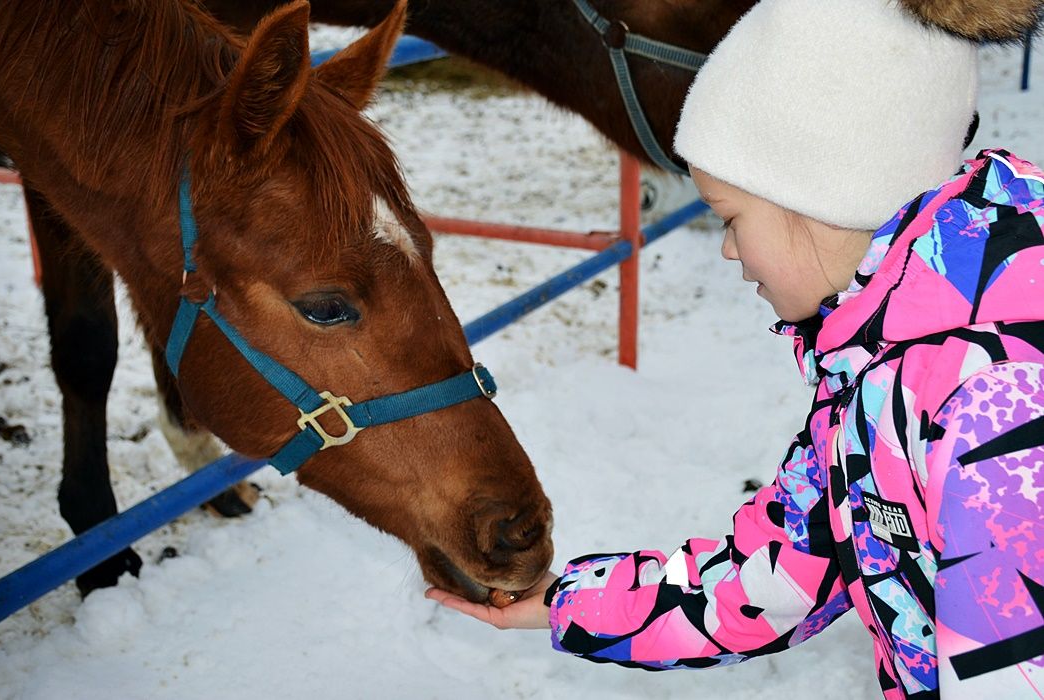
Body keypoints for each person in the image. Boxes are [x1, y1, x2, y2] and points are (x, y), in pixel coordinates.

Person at [427, 0, 1044, 696]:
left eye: (730, 218)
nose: (727, 250)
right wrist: (567, 603)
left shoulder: (997, 403)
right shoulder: (875, 352)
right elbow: (773, 579)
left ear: (814, 196)